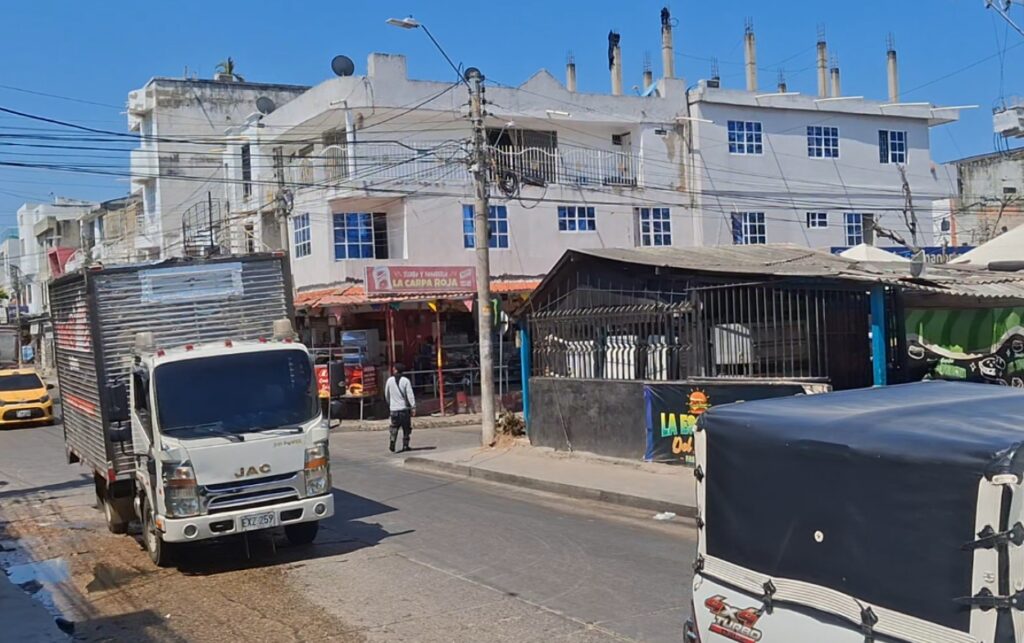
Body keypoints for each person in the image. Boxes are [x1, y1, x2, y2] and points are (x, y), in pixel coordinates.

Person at [384, 363, 415, 452]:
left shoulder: (389, 380)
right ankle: (405, 445)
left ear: (396, 370)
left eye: (394, 369)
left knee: (394, 427)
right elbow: (410, 394)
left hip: (393, 410)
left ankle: (392, 442)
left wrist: (390, 404)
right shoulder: (406, 381)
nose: (393, 370)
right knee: (406, 428)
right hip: (404, 410)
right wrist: (413, 406)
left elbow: (387, 394)